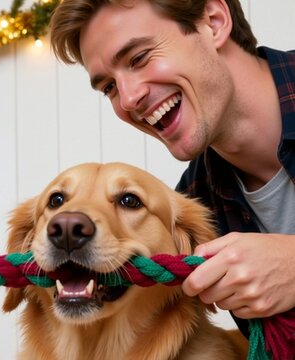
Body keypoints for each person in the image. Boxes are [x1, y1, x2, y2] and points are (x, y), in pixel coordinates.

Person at [47, 0, 295, 339]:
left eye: (139, 58)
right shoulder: (194, 201)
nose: (129, 99)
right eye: (110, 87)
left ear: (214, 21)